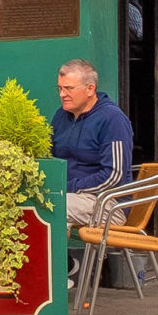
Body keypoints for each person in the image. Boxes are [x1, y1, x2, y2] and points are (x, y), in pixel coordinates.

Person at [51, 59, 134, 231]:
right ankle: (62, 259)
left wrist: (69, 188)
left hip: (108, 203)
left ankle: (58, 259)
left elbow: (114, 176)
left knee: (51, 206)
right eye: (60, 88)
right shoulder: (61, 115)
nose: (62, 94)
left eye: (69, 88)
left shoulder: (112, 119)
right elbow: (49, 156)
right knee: (30, 203)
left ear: (90, 89)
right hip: (69, 196)